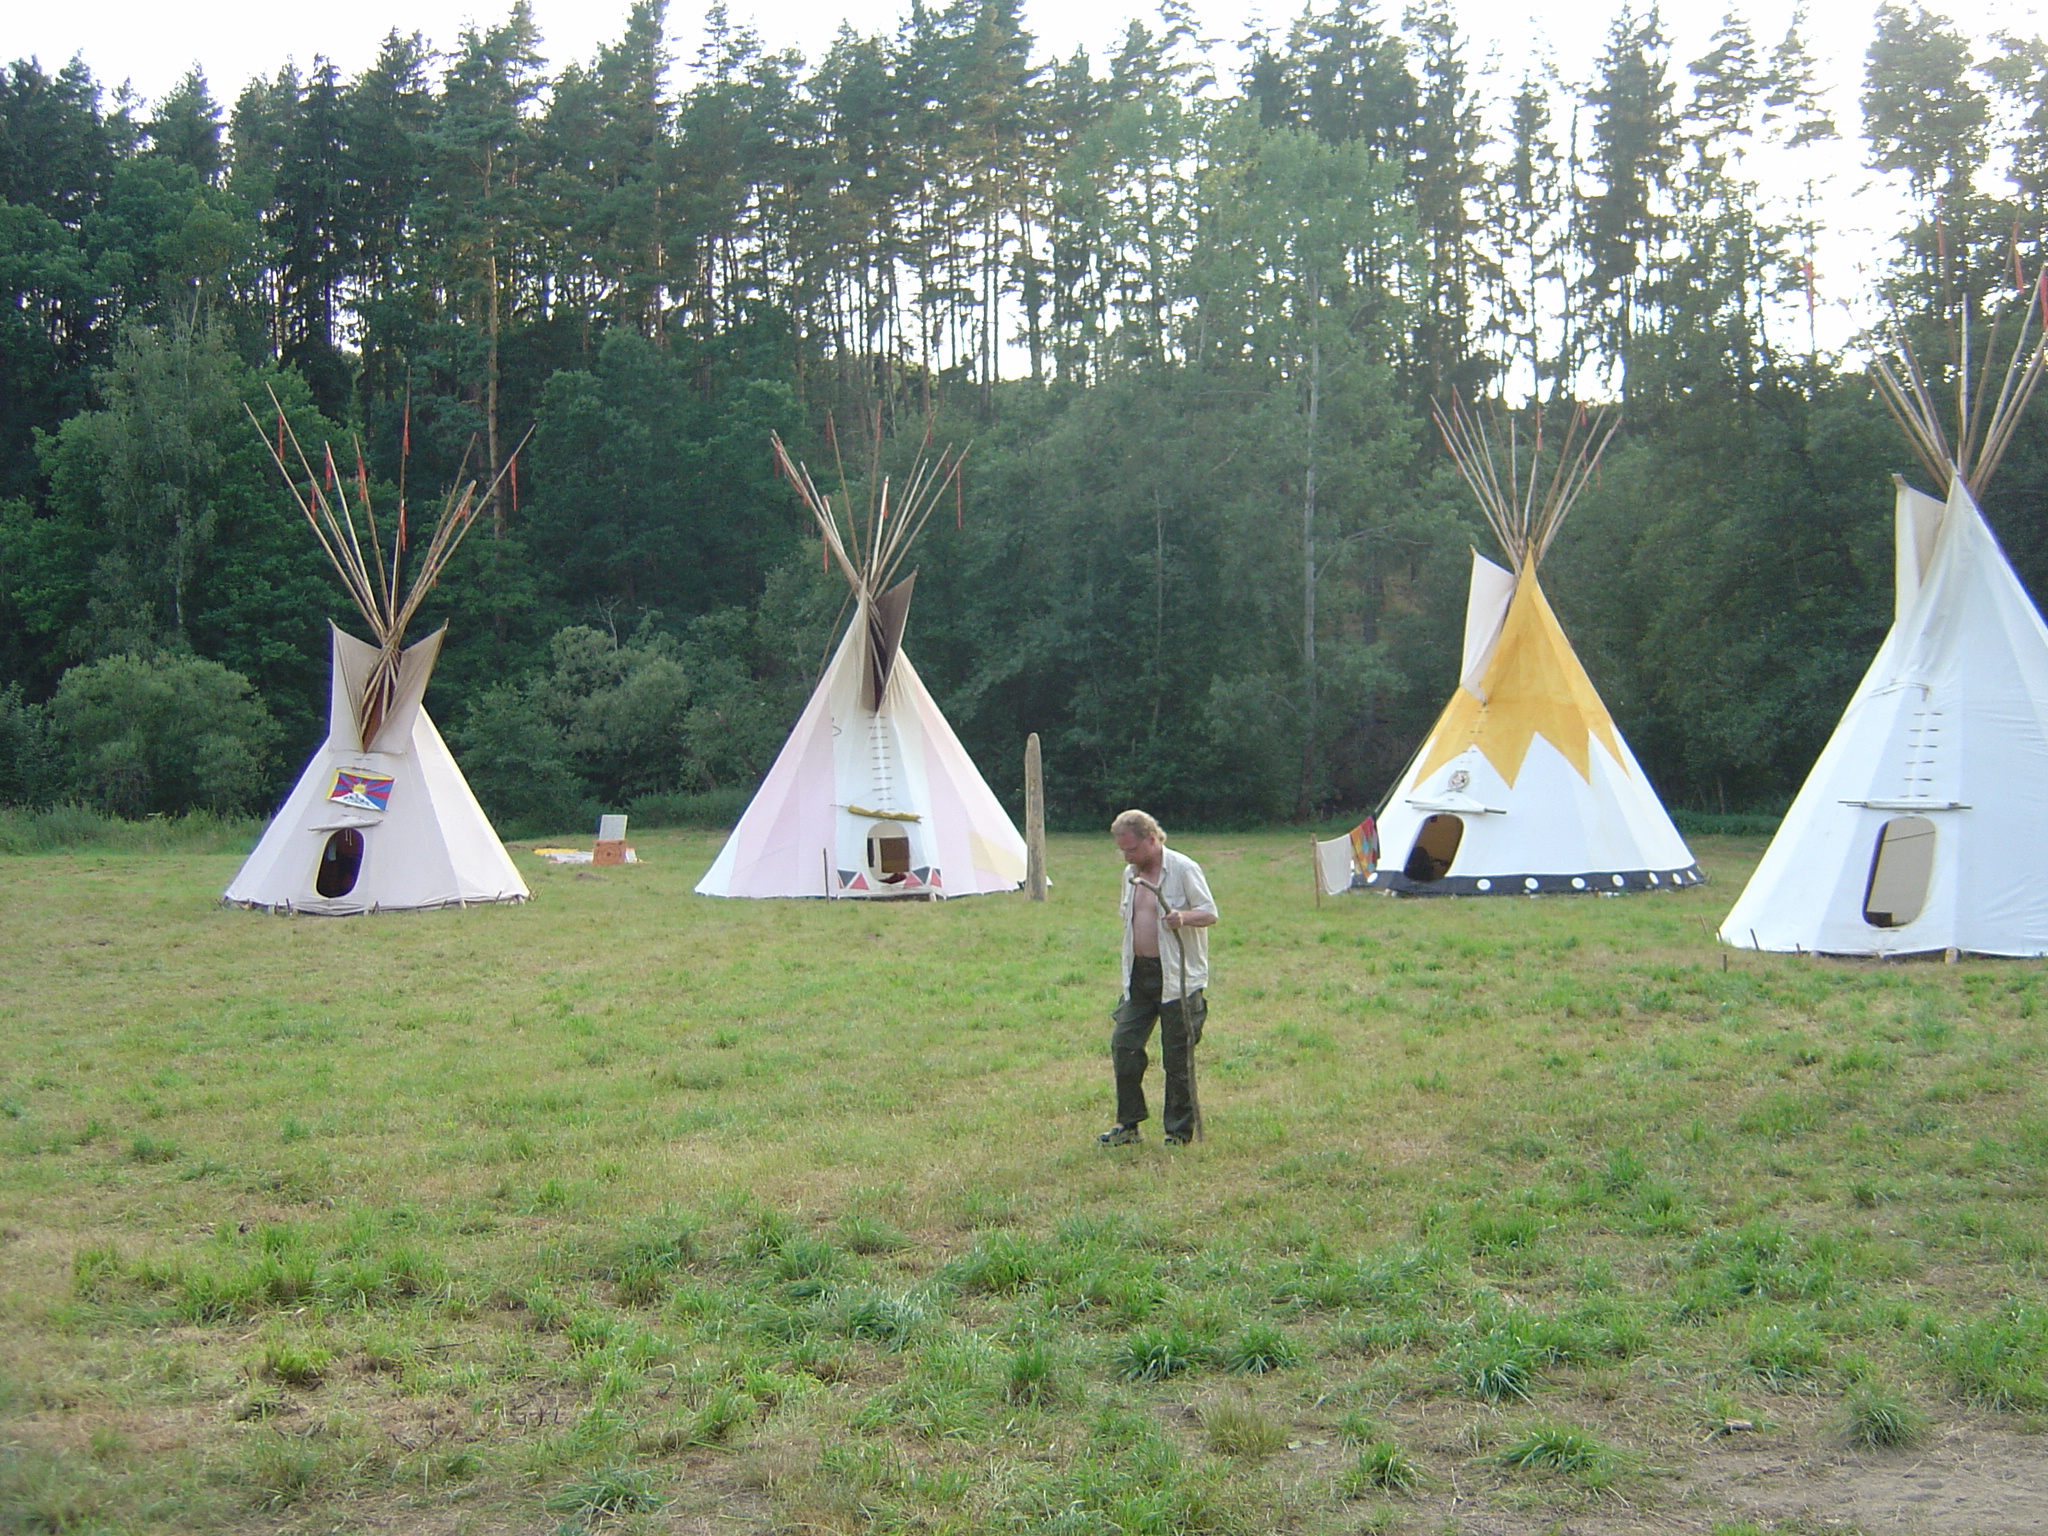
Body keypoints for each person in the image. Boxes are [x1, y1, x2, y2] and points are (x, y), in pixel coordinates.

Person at [1100, 809, 1218, 1147]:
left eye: (1131, 849)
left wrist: (1184, 917)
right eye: (1122, 851)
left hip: (1178, 979)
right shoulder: (1130, 875)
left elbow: (1209, 913)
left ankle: (1178, 1132)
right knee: (1124, 1046)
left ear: (1151, 839)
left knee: (1177, 1058)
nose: (1127, 857)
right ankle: (1128, 1126)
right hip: (1139, 976)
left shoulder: (1183, 869)